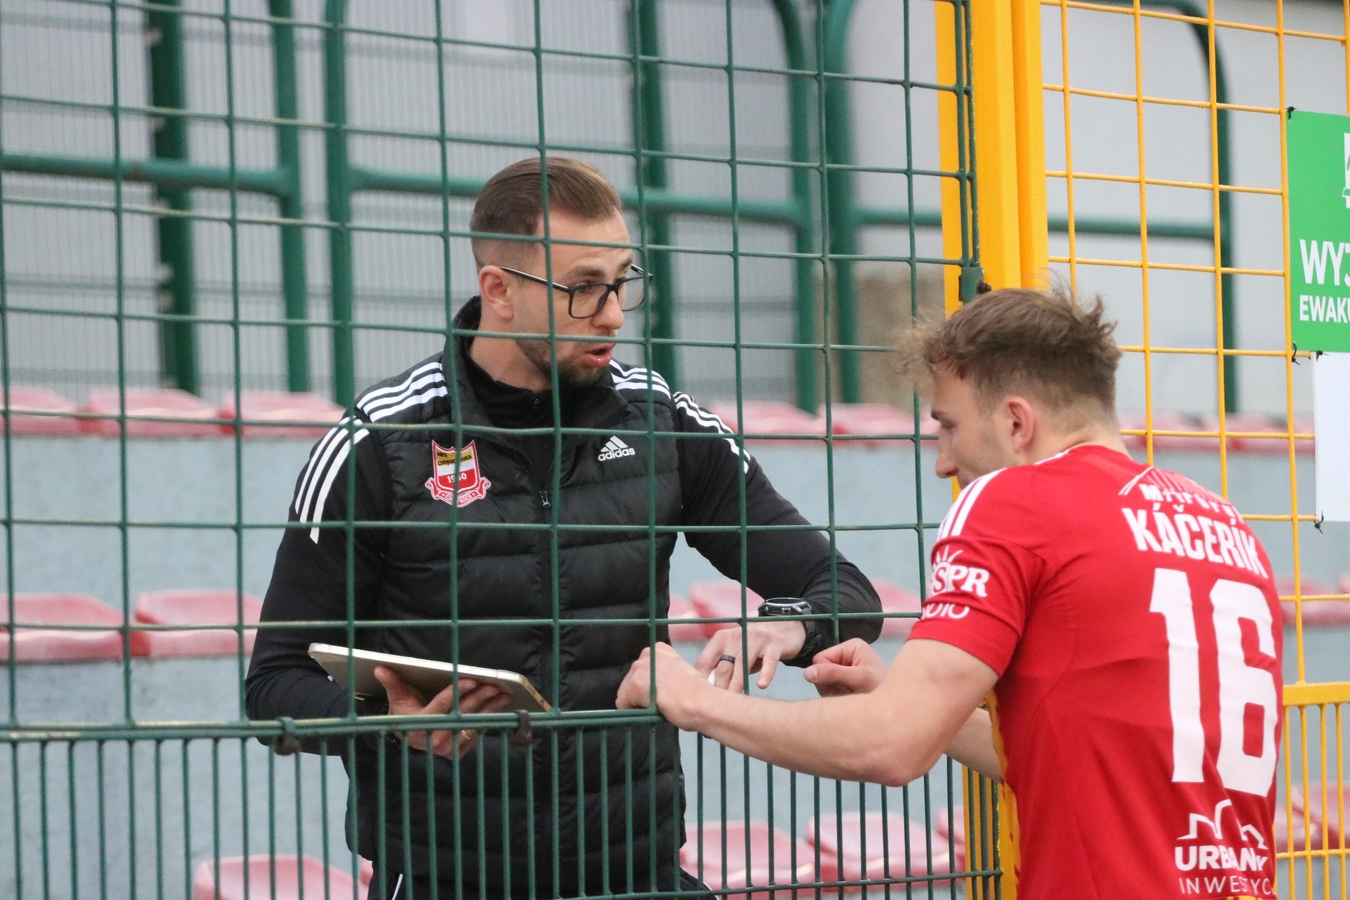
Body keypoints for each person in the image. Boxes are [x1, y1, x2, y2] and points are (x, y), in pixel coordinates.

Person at [245, 156, 882, 900]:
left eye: (621, 282)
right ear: (499, 290)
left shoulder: (662, 424)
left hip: (633, 871)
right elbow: (274, 684)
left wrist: (788, 625)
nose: (612, 314)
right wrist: (384, 721)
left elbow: (845, 590)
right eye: (582, 288)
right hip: (449, 878)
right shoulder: (381, 441)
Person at [618, 287, 1283, 900]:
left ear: (1017, 422)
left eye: (948, 425)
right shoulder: (1224, 525)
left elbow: (891, 747)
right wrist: (905, 697)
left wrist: (694, 701)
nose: (942, 460)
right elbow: (1092, 754)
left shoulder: (1017, 500)